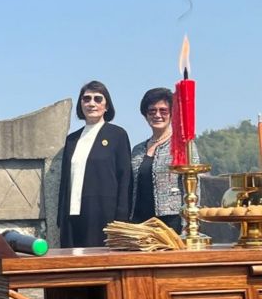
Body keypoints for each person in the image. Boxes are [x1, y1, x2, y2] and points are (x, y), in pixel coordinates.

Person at [57, 80, 132, 247]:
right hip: (73, 214)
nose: (92, 103)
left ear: (106, 106)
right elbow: (65, 182)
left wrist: (122, 217)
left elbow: (125, 177)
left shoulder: (117, 135)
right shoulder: (72, 139)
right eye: (86, 99)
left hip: (103, 213)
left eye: (98, 99)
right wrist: (60, 217)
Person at [130, 87, 199, 233]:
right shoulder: (137, 150)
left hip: (172, 221)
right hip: (140, 221)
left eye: (163, 110)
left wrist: (190, 224)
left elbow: (194, 187)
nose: (157, 115)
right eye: (152, 111)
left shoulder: (184, 145)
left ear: (172, 114)